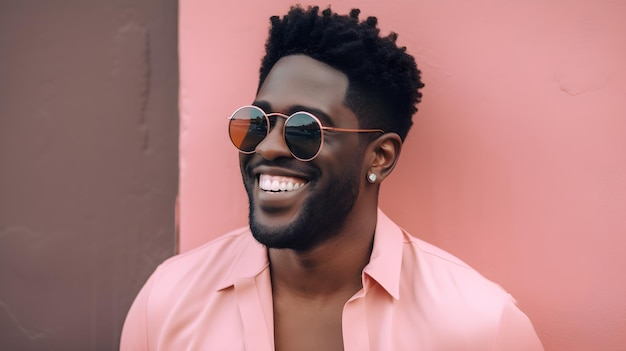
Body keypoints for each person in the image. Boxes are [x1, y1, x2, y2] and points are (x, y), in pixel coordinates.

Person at [120, 5, 543, 350]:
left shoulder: (479, 328)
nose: (267, 147)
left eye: (305, 129)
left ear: (379, 156)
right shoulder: (169, 302)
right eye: (257, 122)